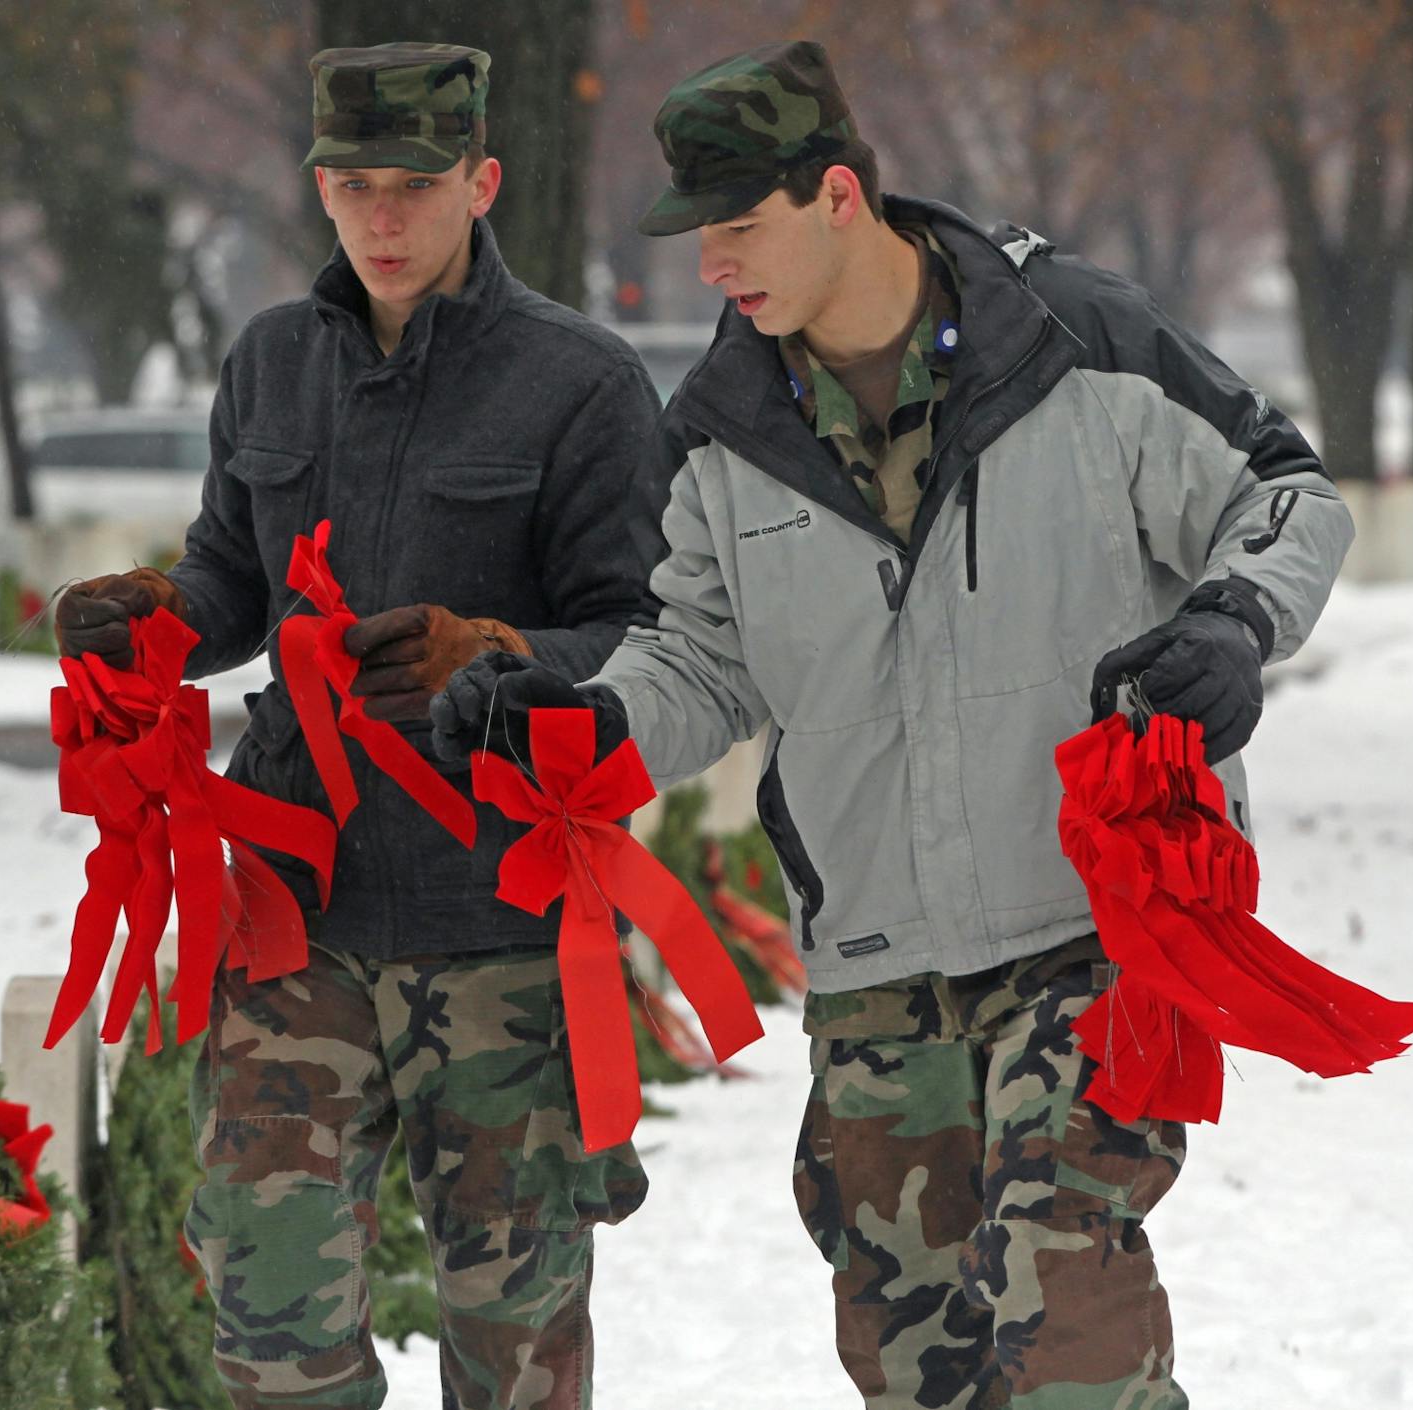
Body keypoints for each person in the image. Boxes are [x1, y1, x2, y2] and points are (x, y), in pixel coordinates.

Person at [433, 40, 1352, 1410]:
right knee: (914, 1362)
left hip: (1084, 930)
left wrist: (1233, 621)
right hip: (873, 966)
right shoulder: (718, 436)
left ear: (841, 195)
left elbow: (1285, 494)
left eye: (740, 228)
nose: (715, 267)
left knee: (1067, 1306)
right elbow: (702, 664)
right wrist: (576, 714)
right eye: (700, 235)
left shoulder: (1078, 345)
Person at [57, 41, 668, 1410]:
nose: (382, 218)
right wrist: (151, 616)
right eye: (353, 185)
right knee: (267, 1310)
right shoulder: (272, 363)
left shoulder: (581, 382)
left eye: (414, 184)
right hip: (299, 910)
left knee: (515, 1335)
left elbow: (644, 634)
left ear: (482, 181)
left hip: (496, 915)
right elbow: (233, 577)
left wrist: (493, 653)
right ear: (319, 188)